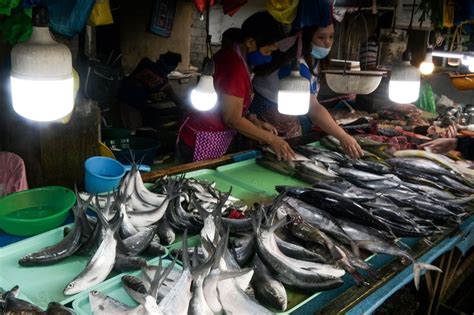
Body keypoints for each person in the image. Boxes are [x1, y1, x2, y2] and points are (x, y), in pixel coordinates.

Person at [176, 12, 296, 163]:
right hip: (201, 138)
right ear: (251, 42)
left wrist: (255, 121)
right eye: (268, 51)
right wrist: (272, 139)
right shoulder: (234, 67)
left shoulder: (234, 56)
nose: (269, 56)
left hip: (209, 135)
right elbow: (232, 118)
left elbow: (228, 104)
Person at [250, 22, 363, 159]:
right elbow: (313, 108)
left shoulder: (314, 59)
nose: (327, 42)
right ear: (307, 37)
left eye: (331, 37)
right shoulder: (294, 65)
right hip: (265, 120)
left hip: (287, 120)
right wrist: (343, 136)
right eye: (322, 37)